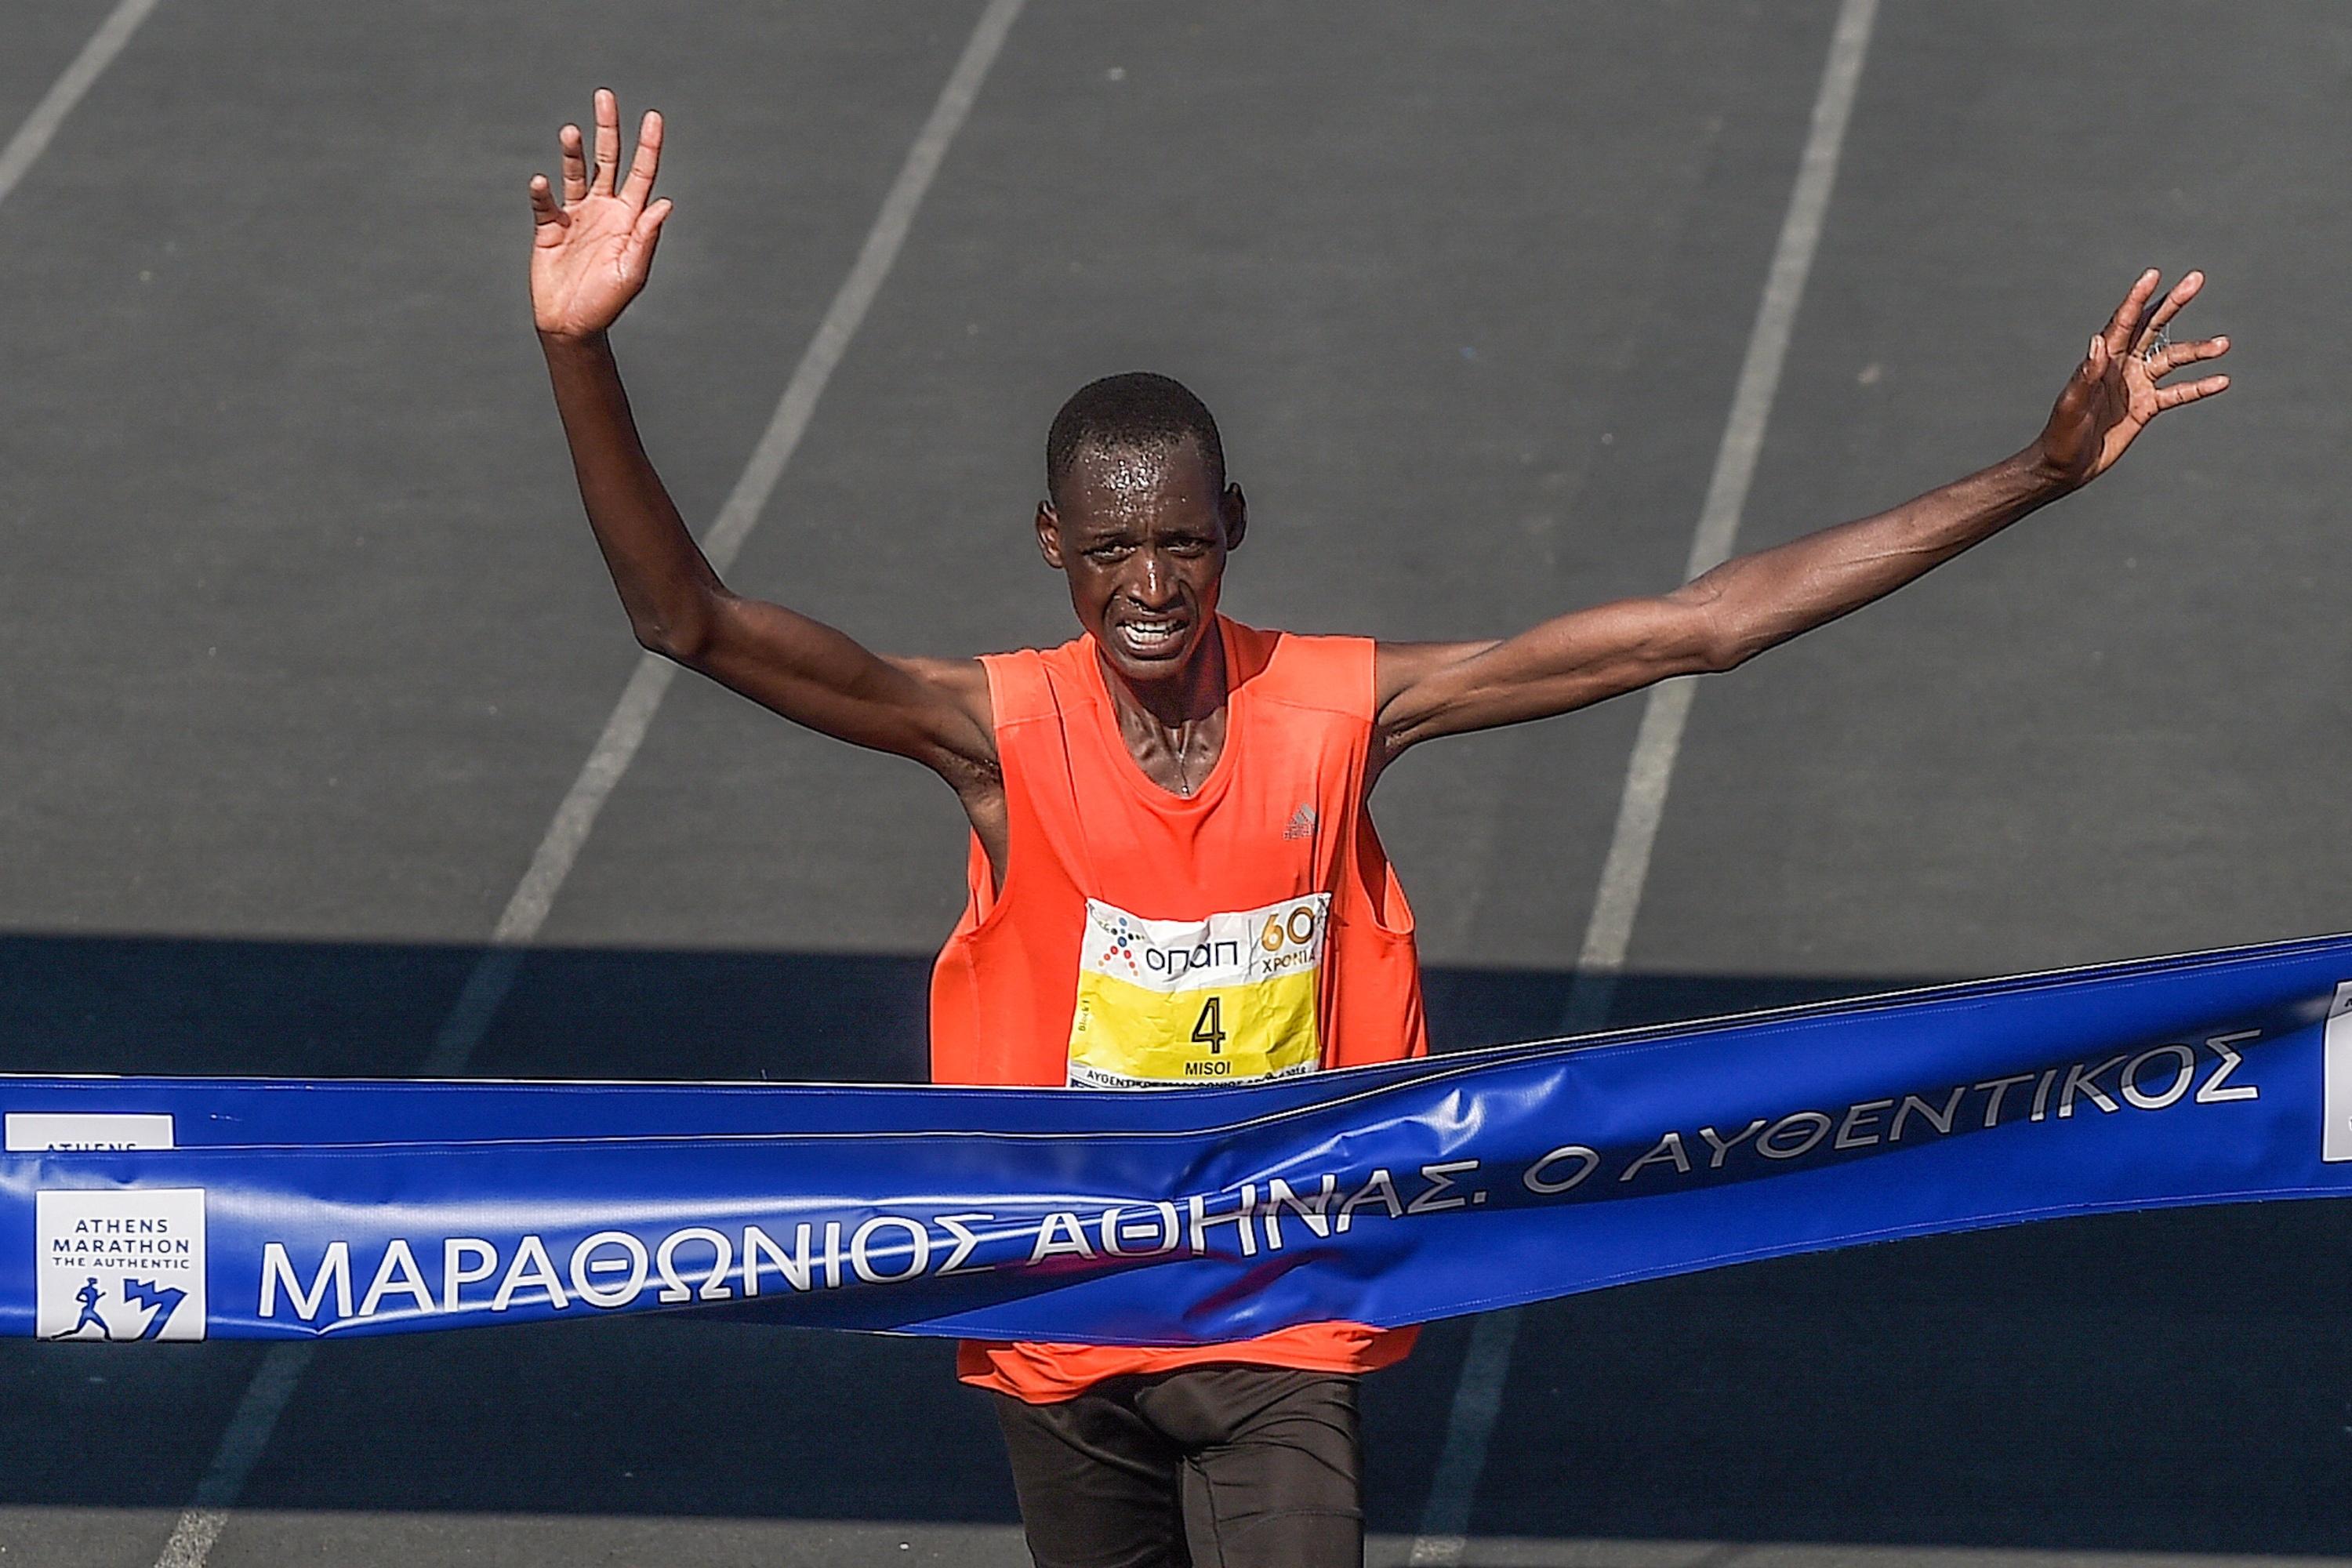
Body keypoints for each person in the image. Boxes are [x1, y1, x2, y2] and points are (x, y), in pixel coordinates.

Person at [525, 89, 2229, 1568]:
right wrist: (578, 347)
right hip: (1063, 1304)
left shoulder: (1338, 707)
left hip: (1284, 1300)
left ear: (1233, 530)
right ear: (1052, 541)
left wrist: (2037, 471)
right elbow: (692, 620)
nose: (1148, 588)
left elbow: (1696, 626)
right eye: (1111, 551)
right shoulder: (997, 731)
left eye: (1181, 547)